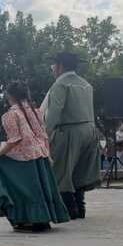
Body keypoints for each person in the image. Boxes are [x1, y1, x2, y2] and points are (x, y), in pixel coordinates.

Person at [0, 80, 70, 233]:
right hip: (41, 156)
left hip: (25, 159)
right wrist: (48, 155)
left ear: (9, 95)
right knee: (41, 189)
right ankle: (43, 220)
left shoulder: (10, 115)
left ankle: (33, 220)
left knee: (26, 190)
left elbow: (15, 139)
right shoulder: (36, 111)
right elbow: (44, 136)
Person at [41, 52, 101, 219]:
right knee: (81, 171)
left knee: (61, 171)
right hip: (89, 130)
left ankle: (70, 209)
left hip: (69, 131)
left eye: (54, 65)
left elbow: (54, 113)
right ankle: (80, 208)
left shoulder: (60, 85)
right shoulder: (86, 85)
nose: (52, 68)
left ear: (60, 66)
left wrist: (44, 135)